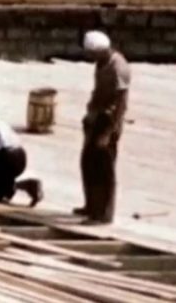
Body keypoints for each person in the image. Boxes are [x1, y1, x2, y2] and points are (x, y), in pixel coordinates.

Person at [74, 30, 131, 225]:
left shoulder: (118, 67)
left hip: (108, 121)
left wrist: (110, 132)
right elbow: (98, 91)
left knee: (104, 169)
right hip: (96, 117)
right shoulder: (101, 63)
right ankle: (91, 205)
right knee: (88, 162)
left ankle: (103, 214)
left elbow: (121, 103)